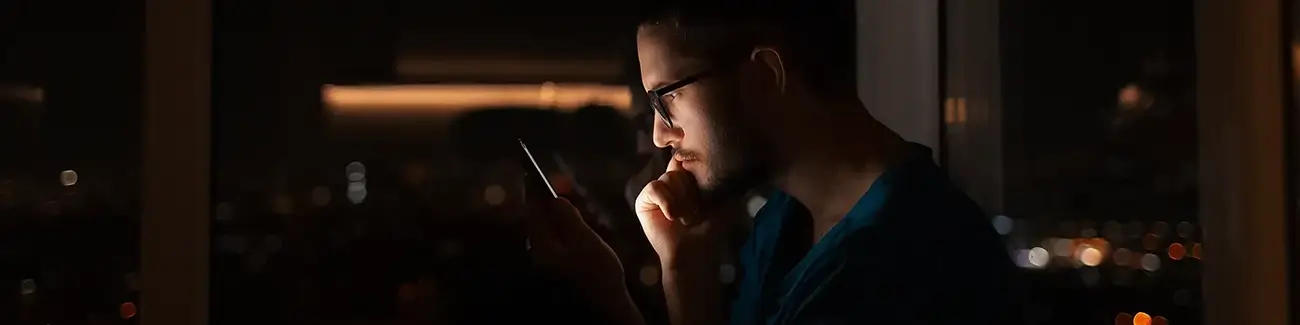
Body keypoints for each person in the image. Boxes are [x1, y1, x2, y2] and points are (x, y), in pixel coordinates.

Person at [527, 2, 1017, 324]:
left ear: (764, 74)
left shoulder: (913, 257)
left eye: (666, 99)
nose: (660, 134)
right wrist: (684, 269)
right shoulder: (783, 222)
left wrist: (613, 300)